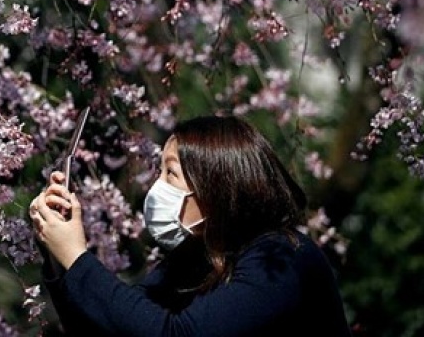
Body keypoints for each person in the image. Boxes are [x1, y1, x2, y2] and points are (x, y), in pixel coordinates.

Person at [29, 114, 352, 336]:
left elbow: (175, 335)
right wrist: (58, 255)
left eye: (171, 174)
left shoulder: (280, 259)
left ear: (218, 188)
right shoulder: (193, 260)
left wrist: (77, 256)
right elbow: (112, 327)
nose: (157, 187)